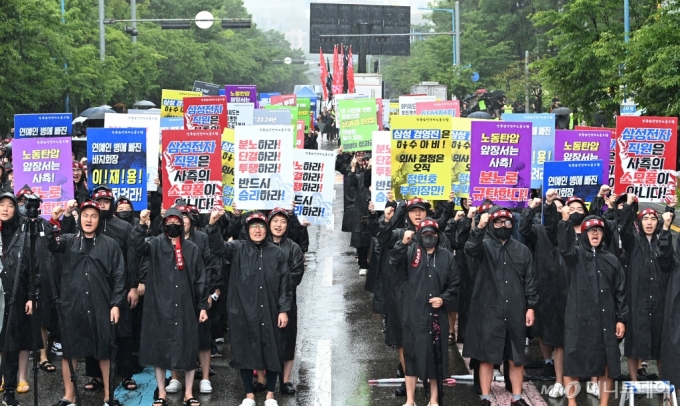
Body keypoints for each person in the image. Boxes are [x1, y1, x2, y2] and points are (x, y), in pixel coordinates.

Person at [206, 209, 291, 406]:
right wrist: (212, 224)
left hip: (270, 310)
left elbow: (285, 285)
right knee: (243, 350)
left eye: (261, 225)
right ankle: (249, 394)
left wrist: (283, 309)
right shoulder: (237, 248)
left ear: (267, 229)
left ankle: (270, 394)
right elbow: (217, 248)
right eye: (253, 226)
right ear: (247, 229)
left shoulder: (277, 253)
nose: (258, 230)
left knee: (272, 349)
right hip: (242, 310)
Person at [48, 200, 125, 406]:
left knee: (105, 350)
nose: (88, 220)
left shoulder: (109, 244)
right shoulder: (69, 240)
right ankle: (69, 396)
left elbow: (119, 275)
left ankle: (109, 396)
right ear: (79, 218)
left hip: (102, 304)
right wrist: (55, 219)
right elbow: (49, 243)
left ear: (99, 220)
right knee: (69, 352)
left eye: (93, 216)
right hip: (73, 305)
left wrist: (116, 303)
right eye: (85, 215)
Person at [133, 208, 209, 406]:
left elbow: (200, 279)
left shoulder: (192, 248)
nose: (174, 225)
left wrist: (202, 306)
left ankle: (189, 392)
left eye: (178, 221)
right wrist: (141, 225)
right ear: (164, 224)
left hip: (186, 305)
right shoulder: (155, 243)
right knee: (160, 350)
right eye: (170, 221)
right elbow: (137, 247)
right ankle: (161, 392)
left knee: (189, 348)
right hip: (159, 304)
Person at [463, 206, 537, 406]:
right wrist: (479, 227)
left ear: (513, 225)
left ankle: (517, 397)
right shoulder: (484, 245)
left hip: (515, 309)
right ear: (491, 225)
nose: (503, 225)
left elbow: (530, 281)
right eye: (498, 222)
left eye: (507, 222)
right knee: (487, 356)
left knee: (516, 357)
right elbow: (469, 248)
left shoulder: (522, 250)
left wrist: (531, 306)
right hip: (488, 310)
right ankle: (485, 397)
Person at [557, 209, 628, 406]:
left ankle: (604, 403)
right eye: (590, 231)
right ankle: (572, 403)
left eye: (598, 230)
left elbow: (621, 291)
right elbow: (564, 247)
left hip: (605, 321)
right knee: (573, 362)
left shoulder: (612, 259)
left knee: (606, 363)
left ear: (603, 234)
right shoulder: (576, 255)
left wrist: (621, 319)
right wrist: (564, 220)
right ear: (584, 234)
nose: (595, 234)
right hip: (578, 320)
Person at [390, 218, 459, 406]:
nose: (429, 237)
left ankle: (434, 399)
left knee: (435, 359)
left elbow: (454, 284)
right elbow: (393, 262)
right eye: (425, 234)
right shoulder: (411, 252)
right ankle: (410, 400)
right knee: (411, 358)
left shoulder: (446, 256)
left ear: (438, 236)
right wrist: (402, 243)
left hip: (437, 317)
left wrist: (443, 298)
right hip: (413, 314)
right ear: (419, 235)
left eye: (433, 234)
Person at [164, 204, 220, 396]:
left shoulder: (202, 238)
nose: (183, 222)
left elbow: (210, 266)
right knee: (174, 336)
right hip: (173, 295)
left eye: (186, 218)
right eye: (180, 219)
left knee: (203, 338)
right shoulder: (166, 239)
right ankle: (175, 378)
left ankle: (204, 377)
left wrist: (209, 294)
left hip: (198, 294)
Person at [519, 190, 567, 397]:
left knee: (562, 334)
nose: (556, 211)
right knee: (543, 329)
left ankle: (565, 372)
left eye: (559, 207)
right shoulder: (538, 231)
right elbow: (523, 228)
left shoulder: (571, 232)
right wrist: (533, 208)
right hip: (543, 286)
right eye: (552, 208)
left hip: (566, 289)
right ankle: (548, 363)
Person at [620, 207, 674, 380]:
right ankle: (634, 382)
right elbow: (625, 231)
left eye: (653, 218)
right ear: (639, 222)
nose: (649, 222)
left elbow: (666, 258)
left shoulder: (662, 240)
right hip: (637, 300)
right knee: (634, 342)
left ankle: (665, 384)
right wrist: (628, 205)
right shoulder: (634, 242)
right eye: (645, 218)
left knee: (661, 345)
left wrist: (666, 226)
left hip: (659, 300)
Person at [0, 192, 34, 406]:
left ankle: (9, 389)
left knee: (12, 343)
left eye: (9, 205)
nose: (4, 209)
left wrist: (31, 295)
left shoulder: (22, 233)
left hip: (14, 295)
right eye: (1, 204)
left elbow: (32, 268)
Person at [266, 208, 304, 395]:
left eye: (282, 221)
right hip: (263, 300)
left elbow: (296, 276)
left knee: (287, 339)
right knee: (264, 338)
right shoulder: (259, 244)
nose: (278, 225)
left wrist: (277, 282)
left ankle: (285, 380)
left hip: (287, 301)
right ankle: (262, 380)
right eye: (275, 221)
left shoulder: (294, 248)